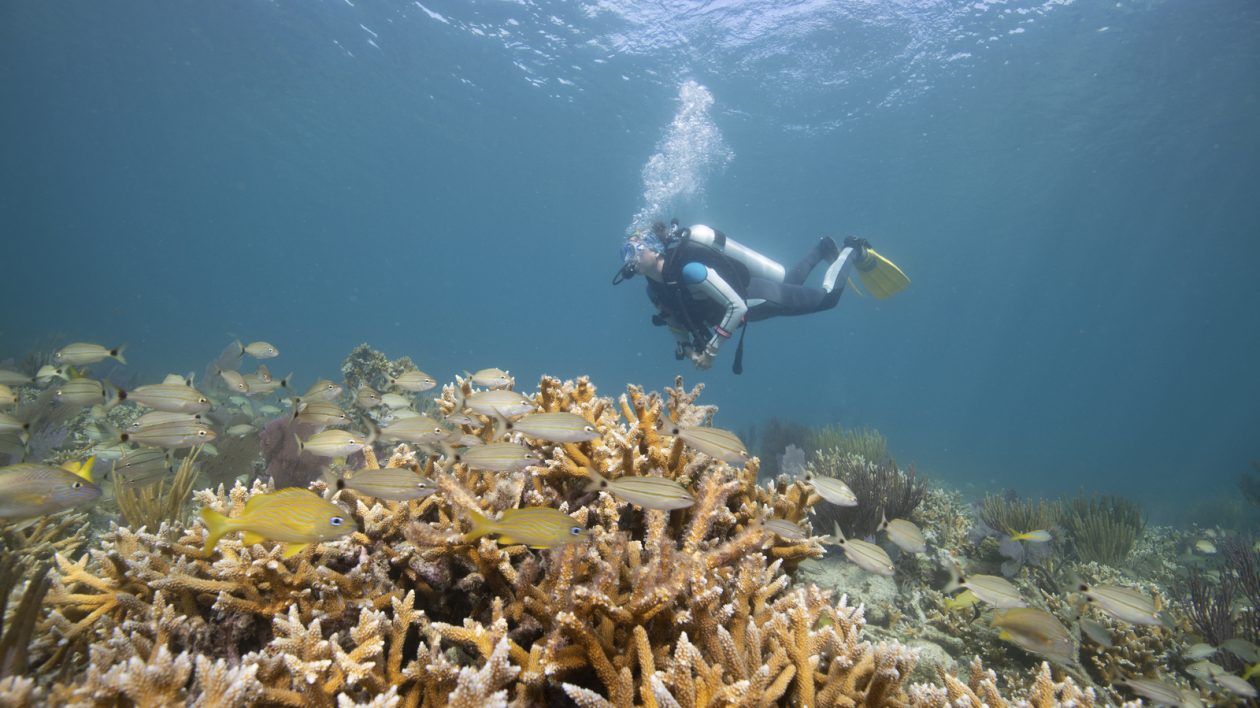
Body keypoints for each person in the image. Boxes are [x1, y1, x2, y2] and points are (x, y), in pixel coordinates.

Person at [612, 220, 909, 372]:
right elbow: (674, 322)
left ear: (654, 248)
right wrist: (688, 350)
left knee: (827, 297)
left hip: (755, 298)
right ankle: (821, 249)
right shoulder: (655, 287)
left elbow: (737, 307)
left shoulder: (689, 270)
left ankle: (852, 249)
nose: (629, 257)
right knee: (791, 283)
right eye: (626, 251)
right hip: (744, 303)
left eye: (635, 249)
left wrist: (711, 352)